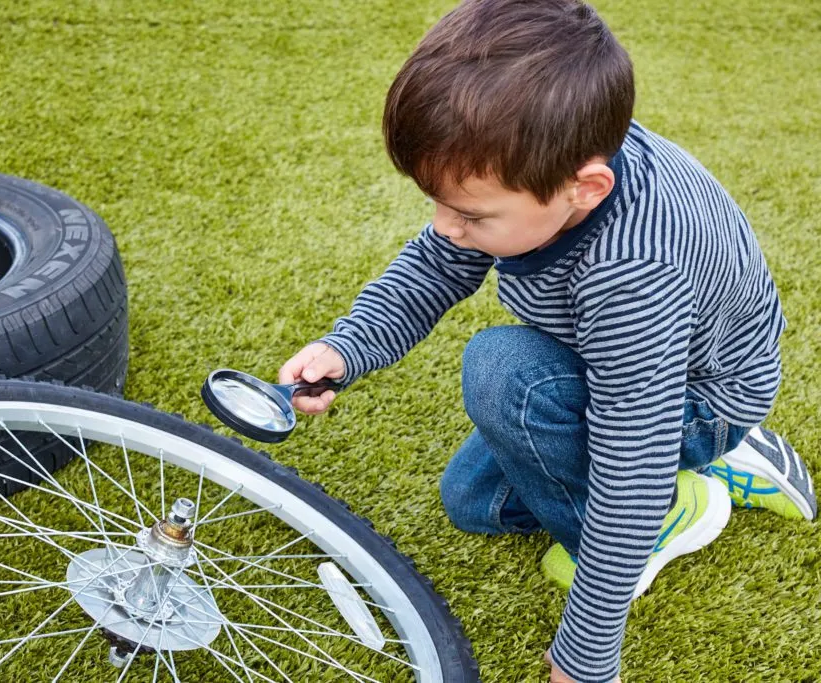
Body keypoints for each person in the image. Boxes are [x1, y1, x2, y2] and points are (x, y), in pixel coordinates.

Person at [276, 1, 817, 681]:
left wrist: (587, 656)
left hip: (696, 394)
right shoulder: (552, 157)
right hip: (639, 364)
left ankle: (682, 500)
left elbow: (630, 457)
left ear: (585, 188)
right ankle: (716, 465)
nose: (445, 226)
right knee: (472, 504)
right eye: (436, 203)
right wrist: (348, 347)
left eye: (468, 212)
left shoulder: (632, 275)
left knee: (506, 374)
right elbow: (437, 264)